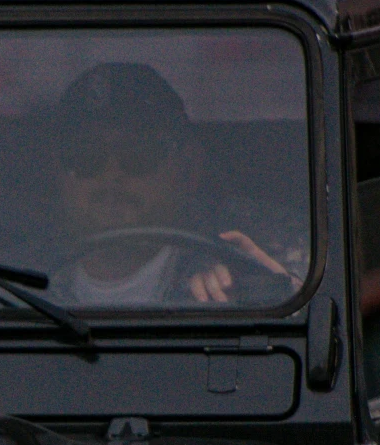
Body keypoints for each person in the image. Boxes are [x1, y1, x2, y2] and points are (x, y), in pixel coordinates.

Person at [47, 61, 303, 307]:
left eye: (139, 153)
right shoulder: (22, 276)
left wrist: (274, 292)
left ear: (188, 168)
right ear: (56, 172)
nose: (111, 175)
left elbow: (322, 326)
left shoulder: (258, 245)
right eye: (85, 156)